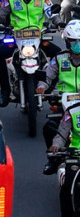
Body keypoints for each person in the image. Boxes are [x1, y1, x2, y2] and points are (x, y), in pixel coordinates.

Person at [0, 0, 60, 106]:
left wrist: (59, 22)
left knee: (59, 55)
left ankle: (49, 86)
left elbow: (52, 13)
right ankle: (5, 89)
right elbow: (1, 15)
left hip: (38, 38)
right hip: (17, 38)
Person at [38, 21, 80, 156]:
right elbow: (48, 76)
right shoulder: (59, 58)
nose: (78, 45)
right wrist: (42, 87)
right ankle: (53, 158)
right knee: (49, 128)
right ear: (67, 42)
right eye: (74, 41)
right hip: (63, 103)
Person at [47, 102, 80, 217]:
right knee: (67, 186)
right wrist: (56, 146)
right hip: (76, 156)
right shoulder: (72, 111)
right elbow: (62, 134)